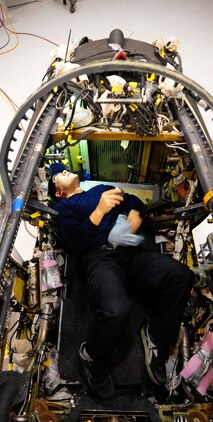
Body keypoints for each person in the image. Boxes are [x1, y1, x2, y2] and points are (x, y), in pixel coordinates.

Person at [50, 164, 194, 399]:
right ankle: (91, 357)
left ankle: (156, 336)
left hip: (129, 253)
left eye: (64, 169)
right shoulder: (63, 207)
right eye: (59, 175)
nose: (64, 171)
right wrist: (98, 212)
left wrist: (136, 212)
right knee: (116, 311)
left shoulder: (100, 189)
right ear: (58, 192)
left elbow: (131, 199)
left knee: (181, 276)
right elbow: (75, 241)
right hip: (100, 257)